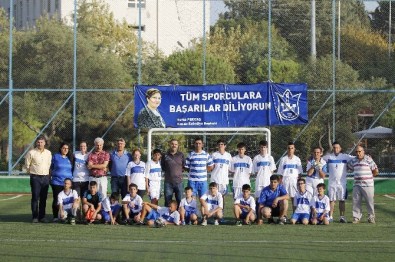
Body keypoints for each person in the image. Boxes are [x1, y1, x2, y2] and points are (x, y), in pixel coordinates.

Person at [323, 141, 353, 223]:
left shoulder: (345, 157)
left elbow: (356, 157)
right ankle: (330, 216)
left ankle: (342, 217)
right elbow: (319, 158)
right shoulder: (328, 157)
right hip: (332, 183)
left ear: (340, 148)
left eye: (337, 147)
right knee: (331, 200)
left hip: (342, 183)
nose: (336, 149)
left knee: (342, 200)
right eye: (334, 147)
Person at [347, 146, 379, 224]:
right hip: (357, 185)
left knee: (369, 202)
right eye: (356, 152)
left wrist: (369, 178)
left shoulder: (368, 159)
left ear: (363, 151)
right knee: (356, 202)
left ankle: (371, 217)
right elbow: (348, 167)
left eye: (359, 151)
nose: (358, 153)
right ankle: (356, 218)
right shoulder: (353, 160)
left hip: (368, 185)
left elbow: (375, 170)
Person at [25, 136, 52, 223]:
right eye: (38, 142)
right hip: (35, 177)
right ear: (36, 143)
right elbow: (27, 165)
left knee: (43, 198)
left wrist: (48, 176)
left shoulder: (48, 153)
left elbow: (49, 164)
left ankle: (42, 217)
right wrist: (33, 174)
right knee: (35, 197)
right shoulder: (31, 152)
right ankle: (35, 217)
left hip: (45, 177)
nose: (40, 144)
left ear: (45, 143)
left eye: (41, 142)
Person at [277, 142, 303, 216]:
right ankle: (284, 216)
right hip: (285, 181)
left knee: (294, 199)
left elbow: (300, 173)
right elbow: (280, 173)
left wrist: (299, 182)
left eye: (292, 148)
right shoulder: (283, 159)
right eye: (288, 148)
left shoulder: (297, 159)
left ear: (294, 149)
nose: (290, 149)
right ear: (287, 149)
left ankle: (295, 215)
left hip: (294, 181)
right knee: (284, 199)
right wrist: (280, 182)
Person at [50, 142, 73, 222]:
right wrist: (50, 178)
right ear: (60, 148)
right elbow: (51, 168)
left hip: (68, 183)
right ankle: (55, 216)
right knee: (57, 199)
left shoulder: (70, 158)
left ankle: (66, 215)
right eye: (64, 148)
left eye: (67, 148)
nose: (65, 150)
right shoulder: (56, 156)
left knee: (67, 200)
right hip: (57, 182)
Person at [162, 139, 185, 208]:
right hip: (168, 182)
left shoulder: (181, 155)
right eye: (172, 144)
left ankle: (179, 217)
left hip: (179, 182)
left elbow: (183, 166)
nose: (174, 145)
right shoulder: (165, 155)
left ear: (178, 146)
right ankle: (167, 217)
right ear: (170, 144)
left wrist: (178, 173)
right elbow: (163, 167)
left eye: (175, 144)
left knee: (180, 201)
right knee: (167, 201)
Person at [210, 139, 232, 210]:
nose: (220, 146)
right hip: (215, 180)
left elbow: (230, 168)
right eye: (219, 144)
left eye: (222, 144)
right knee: (213, 198)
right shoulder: (214, 155)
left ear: (225, 146)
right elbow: (210, 167)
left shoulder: (228, 155)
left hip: (224, 181)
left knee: (222, 198)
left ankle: (221, 215)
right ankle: (213, 214)